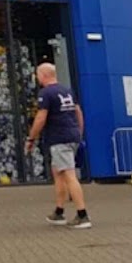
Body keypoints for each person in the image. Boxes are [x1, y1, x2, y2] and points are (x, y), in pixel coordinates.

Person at [26, 63, 90, 228]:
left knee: (69, 175)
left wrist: (31, 138)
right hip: (72, 135)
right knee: (58, 173)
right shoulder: (67, 90)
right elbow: (78, 112)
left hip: (59, 138)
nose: (37, 78)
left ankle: (82, 214)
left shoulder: (46, 93)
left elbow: (41, 118)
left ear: (44, 75)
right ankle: (59, 212)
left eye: (38, 74)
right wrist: (79, 132)